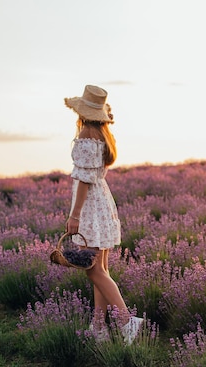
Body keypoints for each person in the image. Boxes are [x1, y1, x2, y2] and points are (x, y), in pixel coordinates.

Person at [64, 84, 143, 345]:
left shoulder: (87, 134)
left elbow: (84, 180)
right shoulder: (102, 135)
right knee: (101, 267)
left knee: (93, 270)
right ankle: (98, 328)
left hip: (89, 208)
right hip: (102, 203)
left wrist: (75, 216)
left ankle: (125, 321)